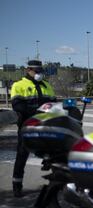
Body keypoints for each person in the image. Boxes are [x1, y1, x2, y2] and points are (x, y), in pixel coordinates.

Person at [10, 60, 56, 197]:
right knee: (22, 155)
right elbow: (17, 106)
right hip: (27, 127)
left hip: (45, 126)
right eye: (36, 71)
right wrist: (36, 112)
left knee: (55, 152)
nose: (39, 74)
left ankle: (58, 184)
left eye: (40, 71)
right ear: (28, 70)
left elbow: (53, 104)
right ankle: (17, 185)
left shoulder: (46, 85)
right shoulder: (19, 85)